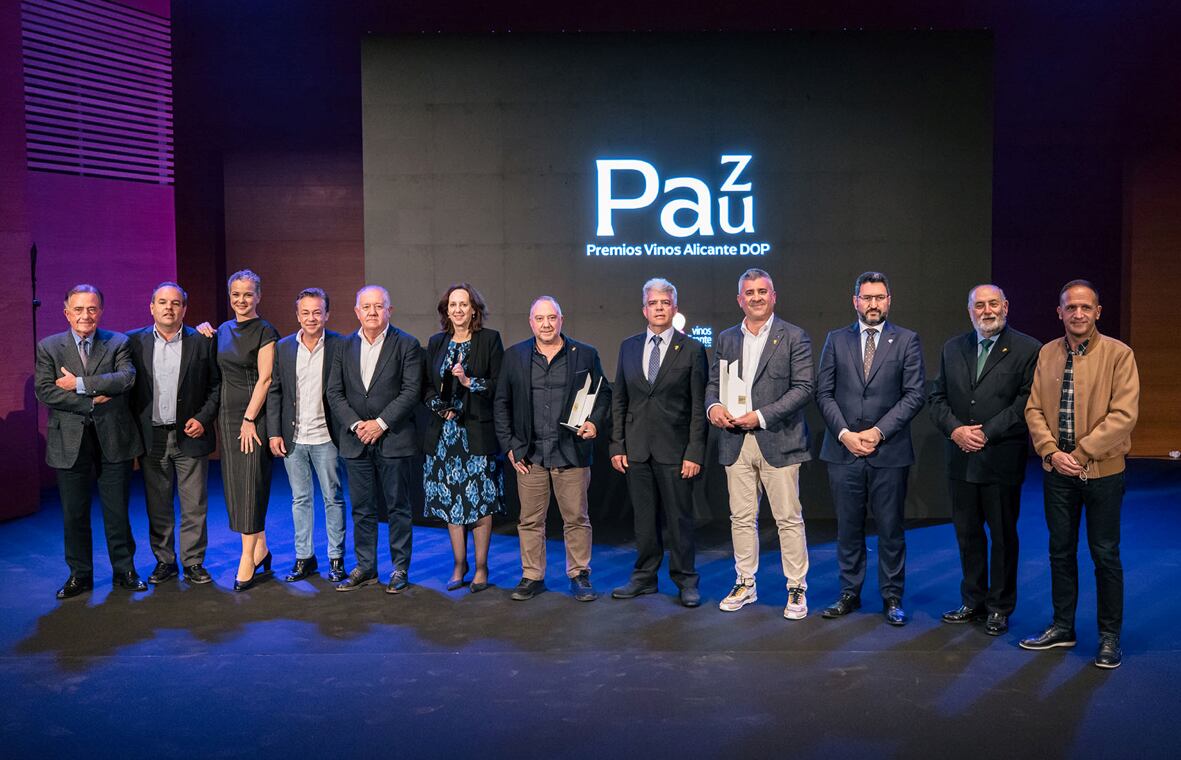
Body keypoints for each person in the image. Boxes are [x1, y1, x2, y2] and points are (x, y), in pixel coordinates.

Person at [1020, 280, 1139, 669]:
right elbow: (1034, 409)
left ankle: (1109, 637)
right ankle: (1062, 626)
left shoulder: (1120, 355)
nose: (1078, 314)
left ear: (1098, 312)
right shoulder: (1047, 353)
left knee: (1105, 554)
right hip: (1058, 472)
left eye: (1086, 307)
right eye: (1071, 307)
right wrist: (1053, 453)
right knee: (1060, 551)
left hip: (1103, 473)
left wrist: (1081, 453)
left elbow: (1123, 417)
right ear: (1060, 312)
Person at [928, 284, 1039, 635]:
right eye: (979, 305)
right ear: (970, 310)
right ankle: (973, 600)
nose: (987, 311)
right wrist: (957, 431)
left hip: (1000, 459)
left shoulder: (1028, 349)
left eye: (993, 304)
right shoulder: (952, 348)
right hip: (960, 458)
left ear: (1005, 306)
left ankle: (999, 607)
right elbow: (937, 398)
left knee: (1003, 537)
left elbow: (1026, 402)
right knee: (967, 534)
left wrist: (986, 432)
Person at [815, 271, 925, 626]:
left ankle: (892, 596)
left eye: (879, 297)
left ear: (889, 300)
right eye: (867, 297)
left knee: (891, 528)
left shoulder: (907, 340)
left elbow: (914, 395)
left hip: (888, 451)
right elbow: (824, 393)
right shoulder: (835, 339)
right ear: (855, 301)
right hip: (843, 449)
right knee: (848, 527)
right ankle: (849, 592)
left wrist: (877, 432)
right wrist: (845, 433)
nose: (873, 304)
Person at [705, 269, 813, 619]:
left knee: (787, 519)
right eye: (748, 293)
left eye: (761, 292)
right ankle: (745, 583)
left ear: (773, 296)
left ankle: (796, 588)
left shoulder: (795, 336)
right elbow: (712, 383)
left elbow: (803, 389)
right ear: (740, 299)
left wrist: (761, 416)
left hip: (778, 439)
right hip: (735, 441)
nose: (755, 298)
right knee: (741, 518)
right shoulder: (725, 338)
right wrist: (714, 407)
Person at [494, 296, 611, 602]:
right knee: (530, 520)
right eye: (540, 318)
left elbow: (603, 395)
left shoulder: (584, 354)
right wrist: (509, 445)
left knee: (576, 518)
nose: (546, 324)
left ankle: (580, 574)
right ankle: (532, 576)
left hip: (571, 452)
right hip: (530, 454)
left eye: (552, 318)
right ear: (531, 322)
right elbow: (501, 403)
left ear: (561, 319)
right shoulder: (514, 356)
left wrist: (595, 424)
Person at [35, 284, 146, 599]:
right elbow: (45, 391)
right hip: (68, 443)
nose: (86, 315)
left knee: (117, 512)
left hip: (114, 439)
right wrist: (91, 400)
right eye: (79, 309)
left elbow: (125, 378)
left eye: (92, 308)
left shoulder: (118, 342)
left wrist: (78, 384)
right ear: (67, 312)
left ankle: (124, 571)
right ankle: (79, 575)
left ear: (101, 311)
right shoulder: (50, 347)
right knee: (74, 514)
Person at [609, 278, 707, 608]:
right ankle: (645, 578)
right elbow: (619, 399)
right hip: (636, 449)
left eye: (666, 302)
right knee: (644, 520)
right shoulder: (628, 346)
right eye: (654, 303)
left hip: (676, 451)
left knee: (680, 520)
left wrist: (695, 451)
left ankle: (685, 580)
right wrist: (617, 445)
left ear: (675, 308)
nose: (660, 308)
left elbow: (698, 406)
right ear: (644, 309)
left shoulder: (692, 349)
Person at [326, 285, 423, 593]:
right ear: (357, 312)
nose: (371, 312)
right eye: (365, 307)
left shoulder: (407, 344)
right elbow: (334, 392)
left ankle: (399, 568)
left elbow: (411, 392)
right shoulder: (342, 346)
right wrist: (357, 425)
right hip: (356, 441)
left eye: (378, 306)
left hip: (393, 438)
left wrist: (380, 423)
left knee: (398, 507)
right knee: (362, 508)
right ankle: (366, 567)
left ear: (389, 311)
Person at [127, 282, 220, 586]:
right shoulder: (132, 343)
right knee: (158, 504)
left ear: (184, 309)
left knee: (195, 504)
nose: (169, 307)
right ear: (151, 307)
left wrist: (203, 418)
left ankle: (193, 562)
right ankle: (164, 561)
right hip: (152, 437)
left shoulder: (203, 342)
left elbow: (216, 387)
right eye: (163, 302)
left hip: (190, 435)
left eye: (176, 303)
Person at [421, 283, 505, 593]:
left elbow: (499, 386)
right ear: (447, 311)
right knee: (451, 504)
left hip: (476, 436)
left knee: (479, 504)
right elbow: (426, 388)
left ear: (474, 309)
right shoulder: (436, 342)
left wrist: (469, 382)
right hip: (444, 437)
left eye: (463, 304)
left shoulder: (489, 340)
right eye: (452, 305)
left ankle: (481, 567)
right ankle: (460, 564)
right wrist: (439, 408)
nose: (458, 310)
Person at [267, 288, 348, 583]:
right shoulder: (284, 347)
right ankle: (305, 558)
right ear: (297, 315)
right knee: (300, 499)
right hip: (294, 437)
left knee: (333, 498)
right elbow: (275, 392)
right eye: (305, 312)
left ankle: (335, 559)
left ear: (327, 314)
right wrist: (274, 432)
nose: (311, 318)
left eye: (317, 312)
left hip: (328, 437)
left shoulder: (341, 345)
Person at [216, 270, 279, 591]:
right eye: (236, 294)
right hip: (227, 417)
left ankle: (247, 557)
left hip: (252, 418)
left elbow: (266, 378)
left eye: (248, 294)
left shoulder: (265, 330)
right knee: (237, 485)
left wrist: (250, 418)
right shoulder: (224, 329)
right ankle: (261, 548)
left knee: (252, 484)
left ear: (258, 296)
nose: (242, 300)